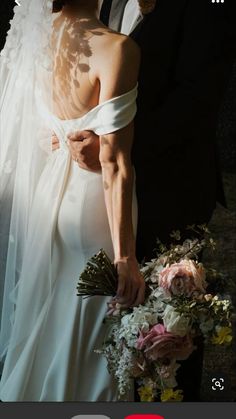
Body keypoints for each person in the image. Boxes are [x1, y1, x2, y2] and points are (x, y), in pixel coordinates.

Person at [52, 0, 236, 401]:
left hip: (172, 190)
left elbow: (198, 100)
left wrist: (114, 149)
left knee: (170, 335)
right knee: (104, 327)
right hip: (97, 200)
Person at [0, 0, 145, 401]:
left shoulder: (42, 37)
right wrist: (125, 258)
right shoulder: (116, 49)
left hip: (53, 192)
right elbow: (115, 163)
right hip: (93, 206)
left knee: (57, 311)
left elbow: (39, 121)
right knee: (93, 325)